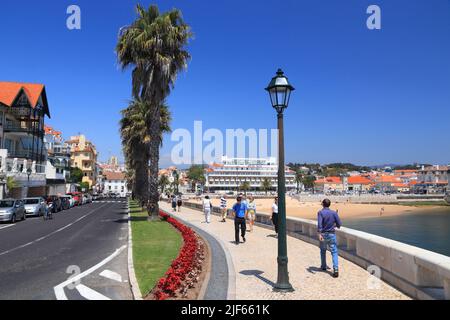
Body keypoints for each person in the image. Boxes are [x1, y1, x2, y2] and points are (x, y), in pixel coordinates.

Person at [317, 198, 342, 278]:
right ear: (329, 204)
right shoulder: (334, 213)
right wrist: (334, 225)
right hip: (331, 234)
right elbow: (339, 224)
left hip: (323, 234)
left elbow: (320, 224)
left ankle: (323, 266)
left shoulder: (320, 212)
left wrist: (320, 234)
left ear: (323, 204)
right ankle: (336, 269)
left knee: (323, 250)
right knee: (334, 251)